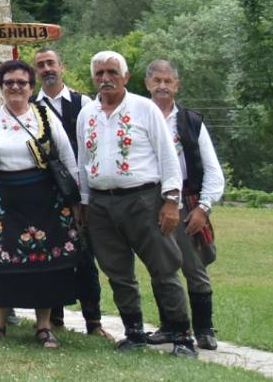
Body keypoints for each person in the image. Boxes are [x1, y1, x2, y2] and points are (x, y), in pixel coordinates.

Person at [77, 51, 196, 357]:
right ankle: (134, 332)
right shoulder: (86, 114)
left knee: (164, 266)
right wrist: (85, 202)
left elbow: (167, 156)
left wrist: (172, 201)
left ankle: (182, 335)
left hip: (144, 198)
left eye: (112, 72)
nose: (106, 78)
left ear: (126, 77)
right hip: (103, 203)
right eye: (100, 73)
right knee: (117, 271)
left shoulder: (144, 109)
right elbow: (83, 163)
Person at [0, 59, 80, 349]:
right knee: (4, 263)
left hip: (46, 201)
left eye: (21, 82)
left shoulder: (43, 114)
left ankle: (43, 327)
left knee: (45, 263)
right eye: (9, 83)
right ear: (1, 87)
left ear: (31, 86)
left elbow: (66, 157)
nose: (15, 87)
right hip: (6, 199)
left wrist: (78, 199)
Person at [146, 58, 225, 351]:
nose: (163, 86)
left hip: (187, 204)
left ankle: (204, 329)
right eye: (157, 81)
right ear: (147, 84)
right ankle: (169, 325)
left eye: (168, 81)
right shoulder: (139, 115)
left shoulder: (190, 122)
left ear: (177, 85)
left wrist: (203, 208)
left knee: (194, 267)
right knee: (160, 267)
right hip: (150, 203)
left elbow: (214, 170)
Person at [34, 46, 105, 336]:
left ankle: (94, 322)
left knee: (86, 259)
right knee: (51, 258)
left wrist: (84, 196)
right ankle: (55, 318)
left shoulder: (84, 103)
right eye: (41, 65)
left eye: (51, 63)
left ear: (61, 66)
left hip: (80, 192)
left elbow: (93, 148)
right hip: (46, 195)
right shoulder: (30, 107)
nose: (47, 69)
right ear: (36, 72)